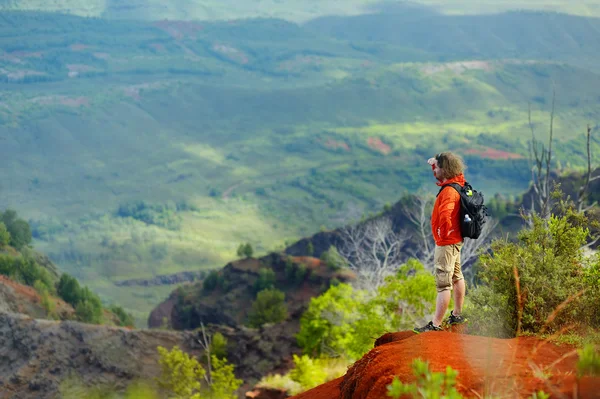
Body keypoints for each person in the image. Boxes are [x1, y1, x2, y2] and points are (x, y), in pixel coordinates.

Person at [414, 152, 468, 333]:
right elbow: (440, 169)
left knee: (443, 284)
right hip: (455, 241)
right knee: (456, 276)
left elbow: (446, 214)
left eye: (436, 167)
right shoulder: (458, 182)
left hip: (446, 242)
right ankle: (457, 315)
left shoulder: (448, 192)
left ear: (445, 169)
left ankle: (435, 325)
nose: (433, 171)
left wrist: (441, 232)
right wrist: (433, 162)